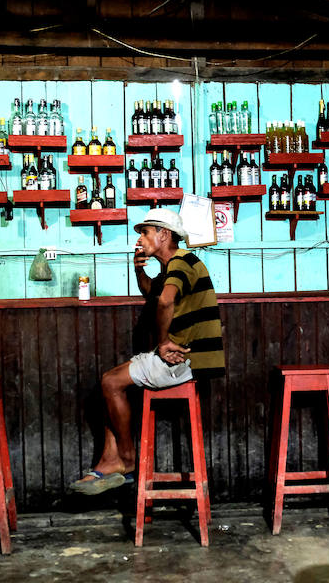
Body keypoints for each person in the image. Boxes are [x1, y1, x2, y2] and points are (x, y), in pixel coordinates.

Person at [71, 208, 225, 494]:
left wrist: (164, 341)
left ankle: (127, 461)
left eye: (145, 232)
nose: (140, 239)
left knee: (110, 382)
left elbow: (165, 303)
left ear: (164, 234)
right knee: (112, 388)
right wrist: (139, 268)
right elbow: (152, 293)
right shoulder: (174, 267)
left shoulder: (182, 261)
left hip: (187, 358)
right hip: (191, 357)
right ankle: (109, 461)